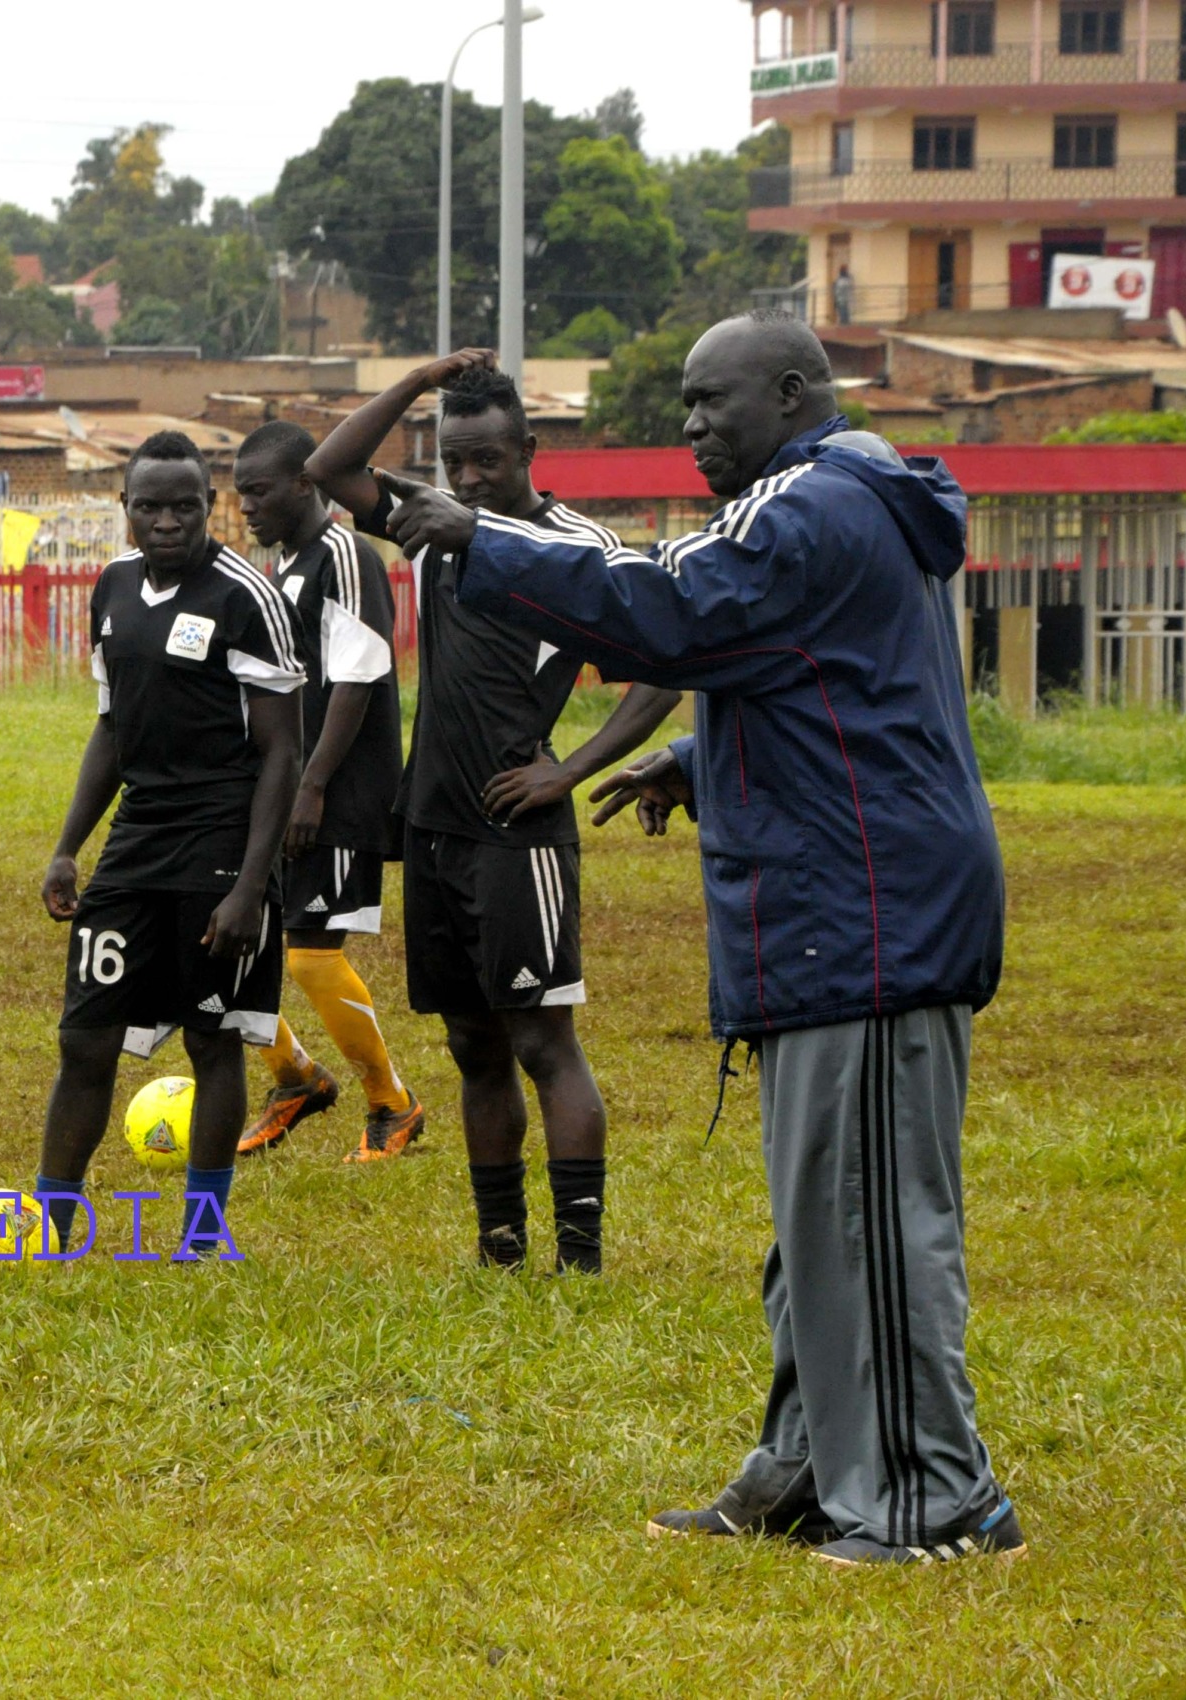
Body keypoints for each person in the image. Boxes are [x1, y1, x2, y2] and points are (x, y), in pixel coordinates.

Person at [383, 311, 1024, 1566]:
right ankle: (811, 1460)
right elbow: (819, 673)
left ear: (789, 394)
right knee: (818, 1214)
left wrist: (485, 540)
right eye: (681, 402)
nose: (687, 425)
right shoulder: (834, 498)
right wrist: (696, 756)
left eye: (707, 400)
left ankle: (934, 1499)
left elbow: (667, 611)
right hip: (829, 910)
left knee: (870, 1220)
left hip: (870, 919)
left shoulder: (804, 508)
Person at [307, 361, 683, 1274]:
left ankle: (582, 1256)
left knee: (541, 1040)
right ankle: (499, 1244)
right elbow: (328, 469)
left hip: (521, 834)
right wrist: (416, 381)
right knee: (471, 1042)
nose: (468, 478)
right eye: (454, 460)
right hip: (433, 825)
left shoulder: (577, 547)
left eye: (487, 459)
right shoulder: (433, 527)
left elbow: (666, 664)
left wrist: (571, 771)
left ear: (529, 450)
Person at [33, 431, 304, 1257]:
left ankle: (203, 1231)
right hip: (138, 841)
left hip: (222, 841)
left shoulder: (244, 596)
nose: (166, 521)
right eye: (148, 506)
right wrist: (69, 845)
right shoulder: (111, 589)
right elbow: (111, 727)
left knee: (210, 1037)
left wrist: (250, 888)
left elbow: (283, 752)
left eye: (184, 505)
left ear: (207, 504)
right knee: (84, 1036)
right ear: (125, 508)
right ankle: (50, 1225)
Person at [225, 419, 424, 1163]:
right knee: (232, 944)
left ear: (306, 484)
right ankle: (297, 1078)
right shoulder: (290, 566)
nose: (246, 506)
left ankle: (391, 1103)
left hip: (337, 794)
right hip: (287, 791)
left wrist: (311, 787)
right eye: (240, 491)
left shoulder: (343, 553)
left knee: (308, 955)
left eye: (259, 490)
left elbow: (360, 673)